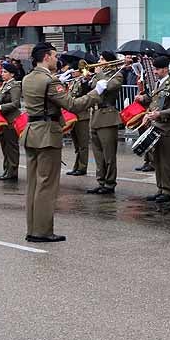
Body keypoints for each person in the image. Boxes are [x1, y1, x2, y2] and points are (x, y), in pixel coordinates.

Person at [20, 42, 102, 242]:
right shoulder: (49, 81)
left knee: (33, 185)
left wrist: (58, 81)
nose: (57, 59)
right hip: (48, 134)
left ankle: (32, 229)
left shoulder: (28, 77)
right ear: (47, 56)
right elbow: (72, 105)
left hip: (32, 132)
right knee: (47, 185)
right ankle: (42, 231)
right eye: (55, 56)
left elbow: (44, 96)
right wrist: (96, 92)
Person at [138, 56, 170, 203]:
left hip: (168, 127)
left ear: (165, 69)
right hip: (156, 126)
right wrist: (146, 108)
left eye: (157, 69)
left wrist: (160, 114)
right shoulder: (158, 84)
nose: (155, 71)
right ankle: (161, 188)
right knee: (157, 160)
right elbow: (154, 102)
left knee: (166, 161)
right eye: (154, 69)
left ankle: (168, 190)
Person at [87, 51, 124, 195]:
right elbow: (92, 90)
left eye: (102, 59)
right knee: (98, 154)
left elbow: (108, 87)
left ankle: (109, 183)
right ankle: (101, 181)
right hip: (95, 115)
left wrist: (100, 74)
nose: (99, 61)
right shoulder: (98, 75)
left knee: (108, 154)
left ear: (109, 61)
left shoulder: (117, 74)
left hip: (107, 116)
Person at [0, 62, 22, 180]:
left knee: (11, 146)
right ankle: (6, 169)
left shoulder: (15, 86)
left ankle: (12, 171)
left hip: (11, 120)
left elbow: (16, 103)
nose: (2, 74)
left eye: (5, 72)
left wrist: (0, 107)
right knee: (4, 146)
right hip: (2, 120)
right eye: (2, 72)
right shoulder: (4, 85)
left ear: (12, 74)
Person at [65, 53, 94, 177]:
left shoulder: (82, 81)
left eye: (74, 71)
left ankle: (82, 167)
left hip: (82, 116)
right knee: (76, 143)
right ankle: (76, 166)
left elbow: (86, 91)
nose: (72, 73)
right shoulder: (73, 82)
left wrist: (85, 77)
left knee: (83, 144)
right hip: (73, 115)